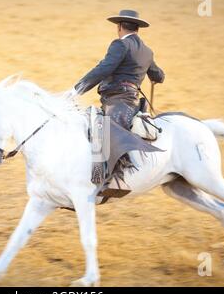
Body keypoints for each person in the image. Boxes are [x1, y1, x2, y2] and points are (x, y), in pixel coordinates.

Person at [69, 9, 165, 182]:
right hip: (131, 99)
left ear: (119, 27)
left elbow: (104, 69)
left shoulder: (120, 44)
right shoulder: (147, 51)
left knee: (104, 127)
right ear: (137, 28)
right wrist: (155, 77)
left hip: (119, 99)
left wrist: (77, 90)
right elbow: (158, 75)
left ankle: (108, 174)